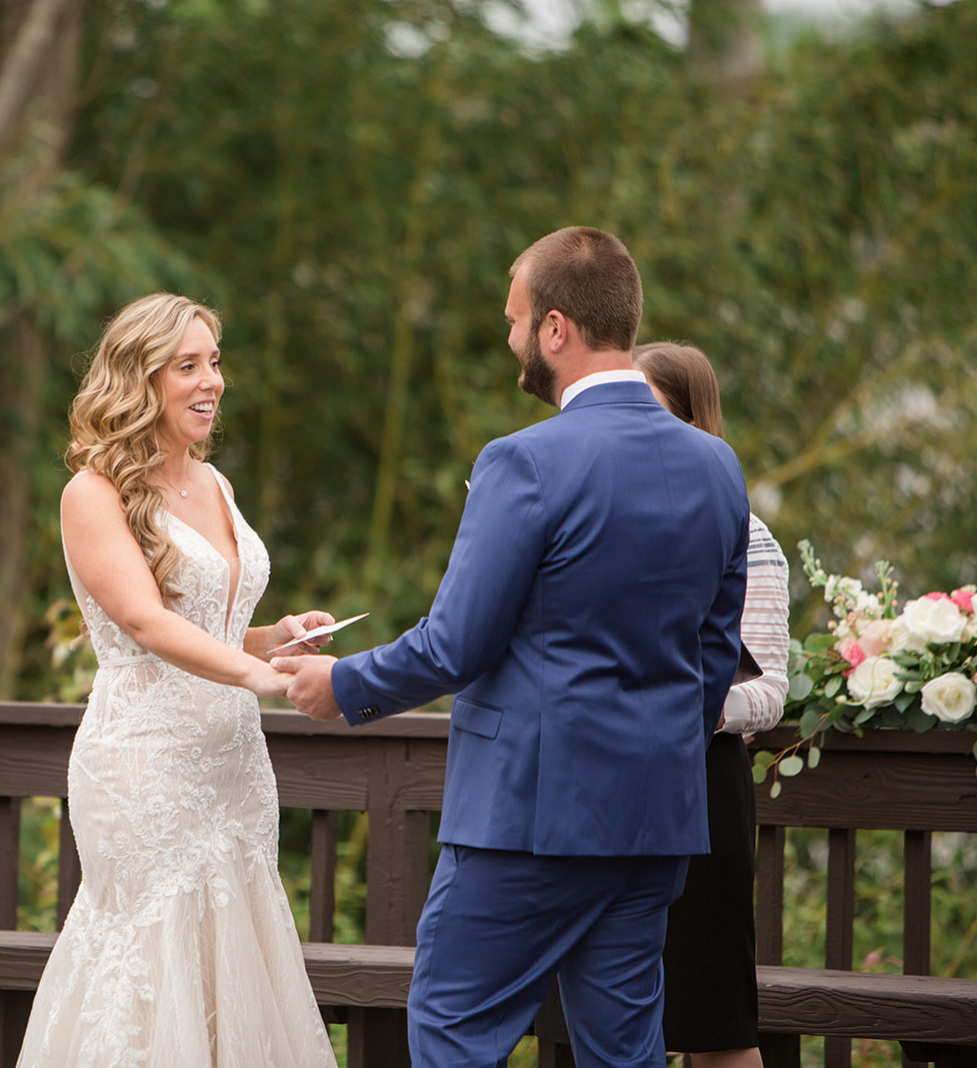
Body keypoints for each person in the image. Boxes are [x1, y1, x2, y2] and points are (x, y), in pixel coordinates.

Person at [276, 227, 750, 1067]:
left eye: (515, 319)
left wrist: (343, 683)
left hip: (529, 821)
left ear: (556, 329)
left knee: (454, 1026)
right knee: (624, 1052)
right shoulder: (717, 467)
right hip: (654, 819)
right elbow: (714, 658)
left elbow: (457, 641)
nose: (509, 340)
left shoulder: (524, 462)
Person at [17, 293, 338, 1067]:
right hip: (146, 770)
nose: (212, 382)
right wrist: (260, 674)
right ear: (138, 382)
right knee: (154, 964)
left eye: (215, 363)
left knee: (237, 954)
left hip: (232, 768)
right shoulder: (91, 495)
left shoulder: (216, 484)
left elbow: (213, 626)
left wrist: (279, 637)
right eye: (187, 367)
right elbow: (146, 624)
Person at [635, 341, 790, 1068]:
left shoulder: (749, 536)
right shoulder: (611, 523)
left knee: (714, 1025)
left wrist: (679, 708)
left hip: (700, 796)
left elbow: (767, 692)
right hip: (613, 790)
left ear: (694, 421)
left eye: (651, 411)